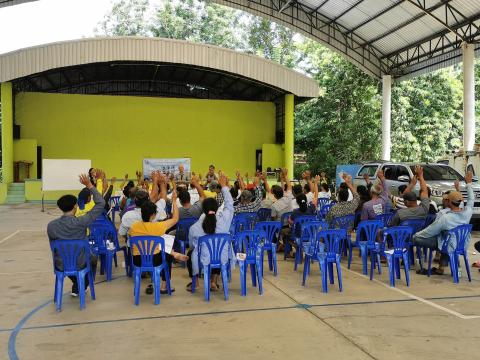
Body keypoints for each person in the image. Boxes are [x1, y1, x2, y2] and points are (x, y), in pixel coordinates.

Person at [47, 174, 105, 296]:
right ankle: (83, 284)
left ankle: (78, 285)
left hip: (60, 263)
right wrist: (90, 185)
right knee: (93, 258)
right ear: (75, 206)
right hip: (80, 262)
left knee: (69, 260)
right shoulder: (81, 221)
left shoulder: (51, 226)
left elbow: (52, 245)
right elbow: (101, 203)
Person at [414, 170, 474, 276]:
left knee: (425, 238)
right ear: (460, 202)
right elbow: (471, 200)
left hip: (449, 245)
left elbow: (429, 231)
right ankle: (445, 267)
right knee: (446, 237)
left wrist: (416, 235)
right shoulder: (467, 212)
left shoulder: (445, 218)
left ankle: (442, 265)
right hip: (463, 245)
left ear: (449, 202)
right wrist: (468, 184)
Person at [128, 197, 188, 294]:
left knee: (158, 242)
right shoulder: (158, 226)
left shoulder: (133, 227)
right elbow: (175, 218)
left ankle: (172, 253)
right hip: (154, 260)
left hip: (137, 260)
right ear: (153, 215)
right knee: (166, 252)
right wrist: (174, 201)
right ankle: (164, 286)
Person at [186, 174, 234, 292]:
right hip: (222, 258)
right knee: (219, 251)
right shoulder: (224, 221)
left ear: (203, 209)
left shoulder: (194, 227)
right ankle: (213, 281)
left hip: (203, 260)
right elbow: (229, 205)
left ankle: (195, 282)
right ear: (217, 209)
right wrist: (224, 187)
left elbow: (192, 245)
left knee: (191, 253)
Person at [118, 172, 167, 244]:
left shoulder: (127, 215)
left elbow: (122, 233)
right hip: (155, 247)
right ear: (148, 200)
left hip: (134, 249)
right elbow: (163, 198)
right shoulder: (156, 211)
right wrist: (161, 184)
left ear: (134, 200)